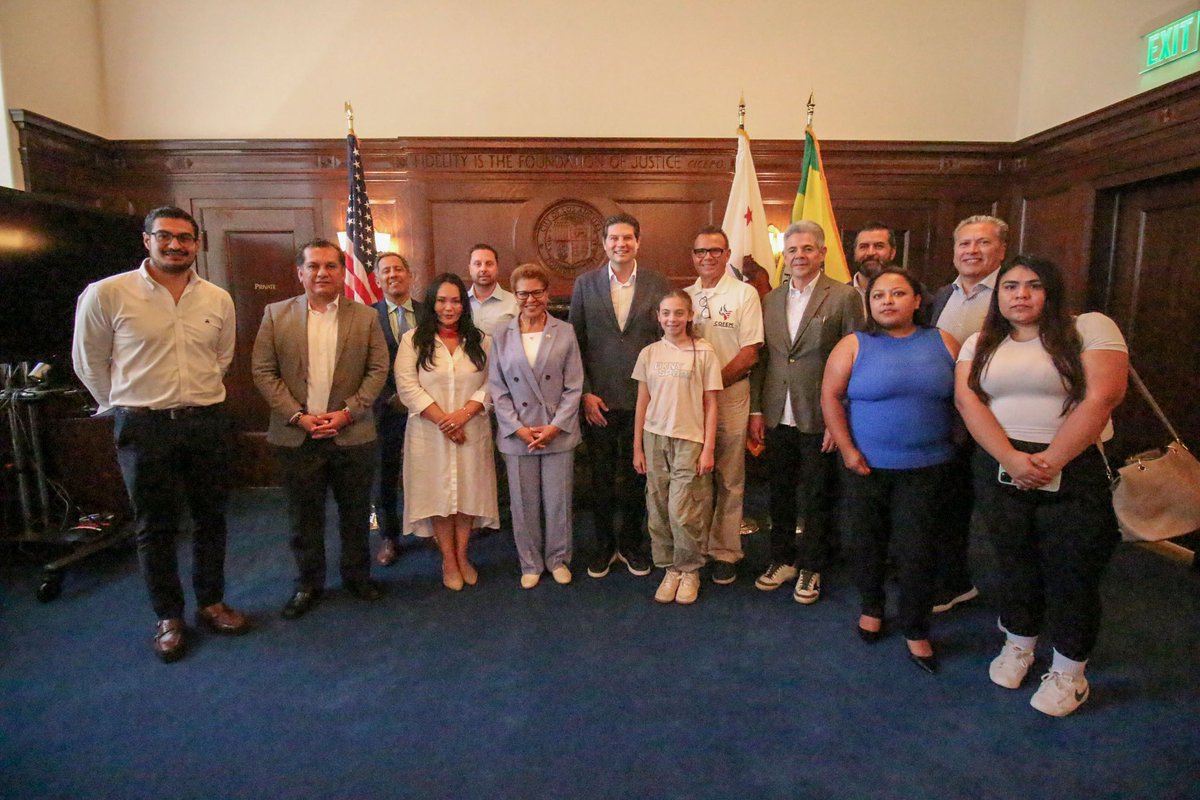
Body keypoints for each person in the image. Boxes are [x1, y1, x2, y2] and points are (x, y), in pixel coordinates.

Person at [72, 205, 250, 662]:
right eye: (165, 236)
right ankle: (168, 616)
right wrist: (120, 404)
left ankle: (211, 601)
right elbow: (88, 361)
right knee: (155, 525)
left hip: (206, 421)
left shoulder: (217, 298)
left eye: (185, 238)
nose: (176, 245)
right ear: (146, 239)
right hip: (144, 423)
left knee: (211, 517)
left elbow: (222, 359)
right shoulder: (107, 294)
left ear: (197, 243)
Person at [955, 255, 1128, 717]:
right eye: (1010, 287)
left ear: (1050, 291)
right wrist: (1011, 458)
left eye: (1032, 286)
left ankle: (1070, 671)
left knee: (1072, 571)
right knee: (1014, 562)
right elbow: (968, 400)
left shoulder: (1089, 327)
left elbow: (1103, 397)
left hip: (1073, 465)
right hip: (999, 463)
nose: (1021, 295)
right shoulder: (980, 340)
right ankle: (1019, 644)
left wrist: (1052, 461)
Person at [822, 267, 960, 674]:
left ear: (917, 300)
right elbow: (829, 396)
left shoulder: (944, 342)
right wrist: (846, 449)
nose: (887, 301)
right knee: (867, 543)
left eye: (898, 293)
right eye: (879, 295)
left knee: (918, 551)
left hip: (929, 467)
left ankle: (916, 627)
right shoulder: (854, 344)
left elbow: (967, 399)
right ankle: (872, 607)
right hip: (865, 466)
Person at [251, 238, 390, 620]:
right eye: (313, 266)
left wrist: (347, 413)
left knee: (355, 512)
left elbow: (378, 370)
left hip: (352, 433)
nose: (322, 273)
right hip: (297, 435)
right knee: (304, 517)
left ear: (342, 273)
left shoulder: (364, 317)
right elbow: (263, 371)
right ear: (300, 273)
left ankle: (357, 577)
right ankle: (308, 584)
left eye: (330, 266)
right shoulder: (276, 314)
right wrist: (298, 416)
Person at [749, 220, 865, 603]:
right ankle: (782, 558)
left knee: (817, 494)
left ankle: (813, 565)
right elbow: (764, 359)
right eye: (793, 250)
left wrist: (842, 419)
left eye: (807, 249)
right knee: (779, 491)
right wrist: (756, 411)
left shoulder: (844, 296)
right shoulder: (770, 299)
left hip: (821, 415)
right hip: (776, 410)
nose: (799, 256)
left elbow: (855, 359)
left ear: (822, 253)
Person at [569, 213, 670, 579]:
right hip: (599, 402)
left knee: (636, 478)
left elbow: (666, 341)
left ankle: (631, 544)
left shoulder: (658, 283)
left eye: (627, 238)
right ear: (604, 243)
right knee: (599, 479)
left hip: (645, 400)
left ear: (638, 242)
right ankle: (603, 546)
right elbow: (575, 343)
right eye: (613, 238)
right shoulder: (586, 284)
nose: (620, 244)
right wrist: (585, 393)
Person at [926, 214, 1010, 614]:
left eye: (983, 243)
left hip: (999, 420)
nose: (972, 251)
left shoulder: (1012, 294)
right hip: (948, 421)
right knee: (948, 505)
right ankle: (953, 581)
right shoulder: (942, 295)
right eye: (964, 244)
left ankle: (1019, 601)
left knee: (1000, 512)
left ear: (1002, 251)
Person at [395, 272, 498, 590]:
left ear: (464, 306)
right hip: (429, 434)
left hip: (472, 430)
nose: (448, 307)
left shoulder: (482, 340)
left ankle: (463, 556)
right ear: (432, 303)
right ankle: (448, 561)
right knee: (439, 497)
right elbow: (407, 387)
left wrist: (464, 415)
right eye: (442, 300)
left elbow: (493, 383)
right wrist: (444, 421)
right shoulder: (412, 340)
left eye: (455, 300)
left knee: (467, 496)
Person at [489, 263, 584, 588]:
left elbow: (574, 386)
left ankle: (558, 559)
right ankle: (530, 562)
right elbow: (497, 387)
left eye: (537, 292)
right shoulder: (501, 334)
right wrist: (517, 428)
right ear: (514, 295)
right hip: (518, 435)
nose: (531, 299)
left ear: (547, 293)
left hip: (556, 431)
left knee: (558, 501)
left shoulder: (565, 331)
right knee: (522, 502)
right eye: (523, 293)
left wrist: (556, 426)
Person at [683, 225, 763, 584]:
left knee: (729, 476)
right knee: (694, 476)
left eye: (715, 251)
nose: (708, 257)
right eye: (701, 251)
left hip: (730, 395)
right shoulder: (684, 296)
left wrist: (712, 385)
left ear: (727, 255)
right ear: (693, 257)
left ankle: (726, 551)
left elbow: (749, 353)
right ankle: (695, 547)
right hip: (688, 400)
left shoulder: (744, 294)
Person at [632, 290, 723, 604]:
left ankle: (690, 568)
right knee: (657, 507)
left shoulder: (704, 352)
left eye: (678, 313)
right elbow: (643, 401)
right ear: (658, 316)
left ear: (689, 316)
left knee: (683, 509)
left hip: (689, 438)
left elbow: (711, 404)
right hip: (654, 437)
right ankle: (669, 566)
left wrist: (708, 447)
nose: (672, 319)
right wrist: (637, 448)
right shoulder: (649, 354)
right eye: (666, 313)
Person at [371, 252, 422, 567]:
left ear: (410, 275)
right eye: (386, 271)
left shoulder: (429, 313)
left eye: (398, 269)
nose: (393, 275)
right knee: (384, 473)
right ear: (377, 279)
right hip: (385, 409)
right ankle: (389, 536)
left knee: (428, 471)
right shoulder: (366, 316)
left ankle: (428, 528)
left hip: (427, 408)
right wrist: (390, 396)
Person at [466, 243, 519, 336]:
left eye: (489, 264)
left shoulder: (515, 303)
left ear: (497, 268)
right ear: (470, 269)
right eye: (477, 264)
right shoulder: (459, 302)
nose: (483, 269)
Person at [850, 222, 898, 300]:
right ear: (855, 252)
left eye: (879, 246)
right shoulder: (837, 295)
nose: (870, 253)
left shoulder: (912, 292)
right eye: (864, 246)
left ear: (892, 253)